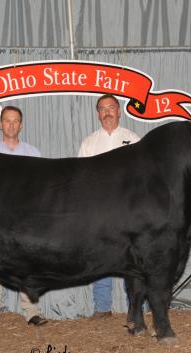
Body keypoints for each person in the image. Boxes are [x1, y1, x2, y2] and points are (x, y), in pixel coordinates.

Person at [0, 105, 48, 330]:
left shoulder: (33, 153)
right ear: (0, 125)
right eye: (7, 121)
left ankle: (31, 312)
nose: (11, 125)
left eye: (15, 121)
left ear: (21, 125)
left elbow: (40, 189)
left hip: (25, 218)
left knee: (27, 264)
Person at [78, 94, 140, 318]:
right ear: (98, 114)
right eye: (102, 109)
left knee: (132, 257)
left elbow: (142, 177)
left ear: (119, 110)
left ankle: (135, 307)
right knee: (100, 256)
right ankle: (102, 307)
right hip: (99, 208)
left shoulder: (133, 139)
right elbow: (81, 179)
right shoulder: (89, 142)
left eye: (111, 107)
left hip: (127, 208)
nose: (107, 112)